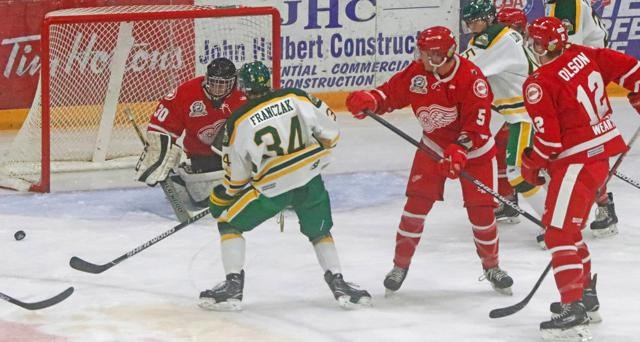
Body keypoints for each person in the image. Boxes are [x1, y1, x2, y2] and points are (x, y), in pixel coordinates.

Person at [346, 26, 514, 296]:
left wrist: (459, 150)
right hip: (434, 147)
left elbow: (478, 126)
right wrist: (371, 100)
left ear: (449, 53)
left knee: (482, 213)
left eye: (432, 56)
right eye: (423, 54)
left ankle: (492, 267)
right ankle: (399, 266)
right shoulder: (417, 74)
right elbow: (391, 94)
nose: (425, 60)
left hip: (475, 153)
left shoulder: (472, 79)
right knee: (415, 208)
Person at [199, 61, 371, 311]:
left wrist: (222, 198)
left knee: (229, 223)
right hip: (310, 180)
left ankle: (233, 286)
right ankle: (338, 282)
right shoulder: (297, 97)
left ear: (243, 88)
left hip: (272, 189)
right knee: (320, 232)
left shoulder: (239, 120)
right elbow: (331, 133)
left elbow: (237, 177)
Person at [521, 16, 639, 340]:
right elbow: (633, 71)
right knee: (568, 230)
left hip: (576, 161)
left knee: (558, 232)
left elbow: (550, 142)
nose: (535, 49)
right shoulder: (584, 54)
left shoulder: (539, 81)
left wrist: (530, 164)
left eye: (538, 44)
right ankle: (586, 298)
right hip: (598, 157)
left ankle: (573, 311)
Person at [461, 1, 547, 246]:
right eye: (468, 22)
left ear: (488, 19)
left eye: (475, 21)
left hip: (527, 116)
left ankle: (556, 225)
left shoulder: (496, 41)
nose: (471, 26)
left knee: (519, 173)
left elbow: (463, 71)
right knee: (540, 170)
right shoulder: (500, 36)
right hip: (528, 114)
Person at [135, 57, 247, 217]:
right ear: (206, 79)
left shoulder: (242, 95)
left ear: (233, 82)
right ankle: (181, 180)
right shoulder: (187, 93)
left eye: (224, 84)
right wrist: (158, 146)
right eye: (214, 83)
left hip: (236, 156)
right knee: (205, 198)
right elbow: (161, 126)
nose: (218, 89)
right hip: (201, 156)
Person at [546, 0, 617, 237]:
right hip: (586, 75)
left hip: (582, 78)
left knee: (577, 148)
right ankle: (602, 206)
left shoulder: (566, 4)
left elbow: (568, 51)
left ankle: (598, 206)